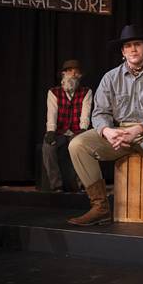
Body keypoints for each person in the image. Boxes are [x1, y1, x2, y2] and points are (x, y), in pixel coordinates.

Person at [67, 25, 143, 229]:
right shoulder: (110, 78)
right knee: (78, 145)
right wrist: (107, 131)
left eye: (137, 44)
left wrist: (138, 129)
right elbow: (99, 113)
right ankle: (100, 207)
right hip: (120, 134)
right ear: (122, 51)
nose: (133, 49)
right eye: (128, 46)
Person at [42, 59, 92, 192]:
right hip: (59, 132)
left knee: (82, 147)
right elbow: (51, 113)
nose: (73, 74)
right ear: (64, 74)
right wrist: (51, 131)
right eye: (69, 71)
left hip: (77, 131)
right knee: (48, 148)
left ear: (80, 75)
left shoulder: (86, 92)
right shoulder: (53, 92)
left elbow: (85, 114)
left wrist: (83, 129)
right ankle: (56, 185)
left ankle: (83, 185)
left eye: (76, 71)